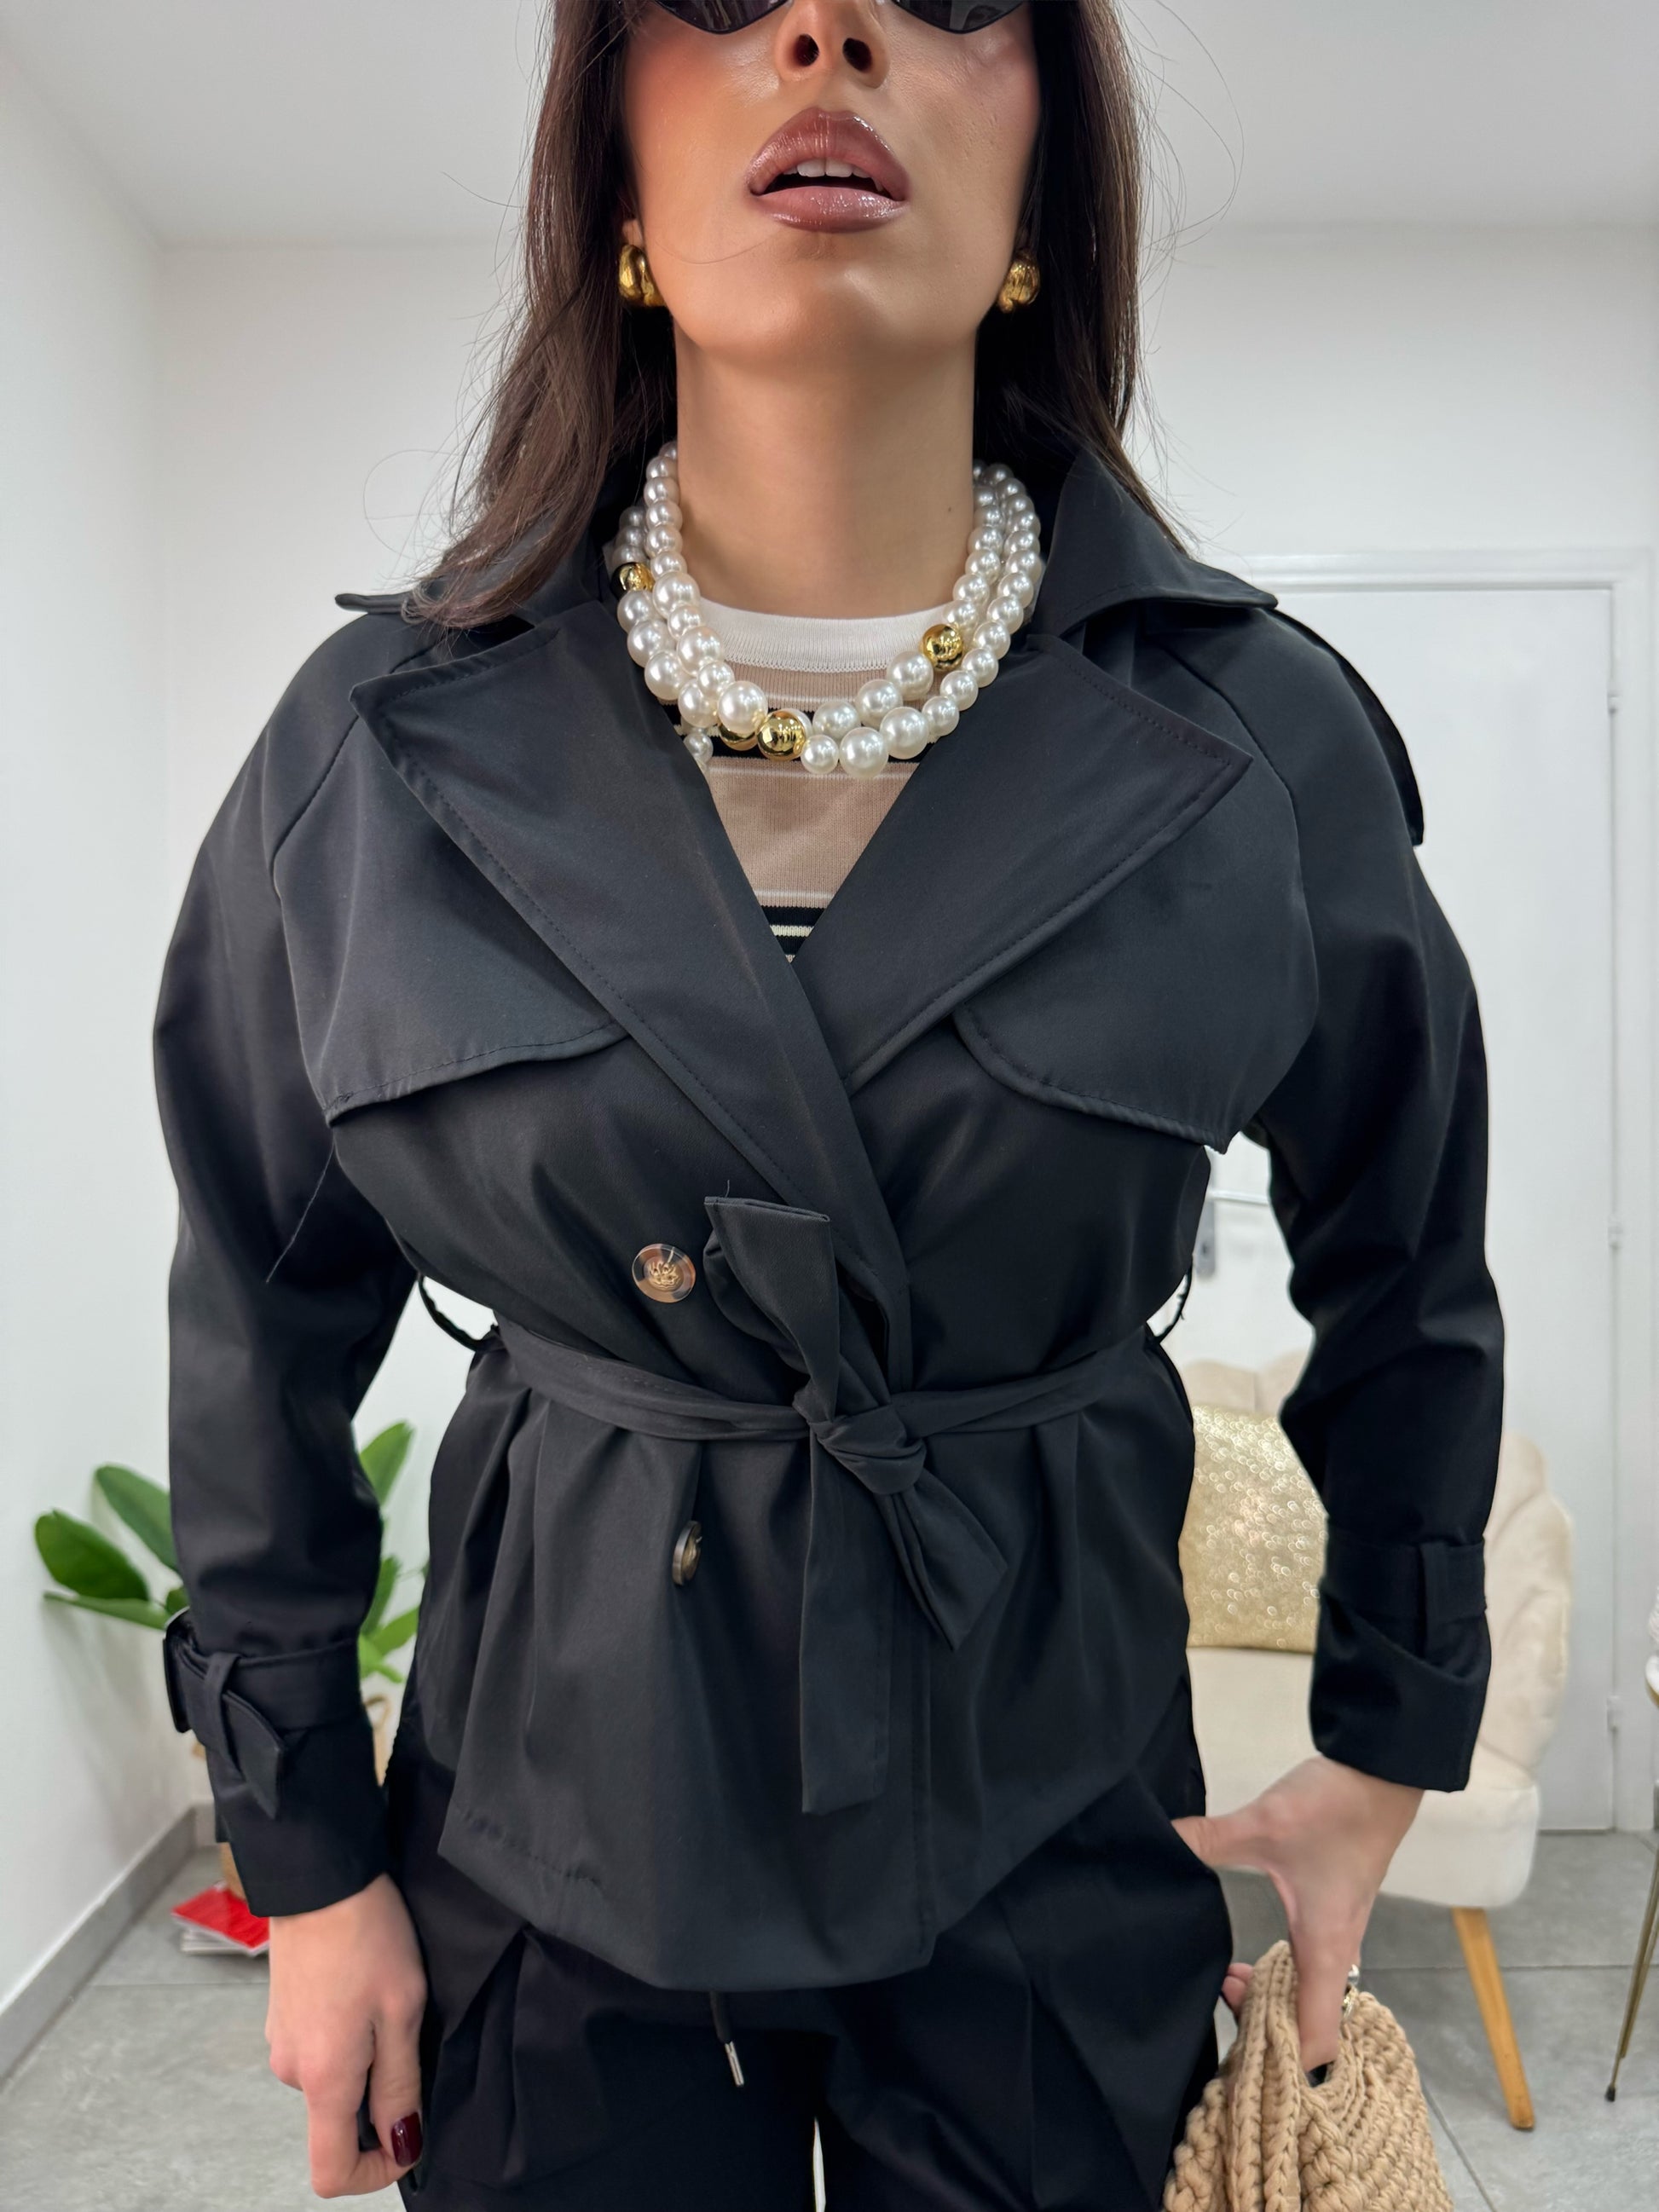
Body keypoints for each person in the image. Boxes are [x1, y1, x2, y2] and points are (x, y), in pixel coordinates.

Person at [153, 1, 1505, 2204]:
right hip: (552, 1812)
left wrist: (1384, 1733)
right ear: (613, 178)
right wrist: (306, 1860)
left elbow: (1410, 1256)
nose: (823, 28)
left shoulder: (1255, 736)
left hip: (1052, 1797)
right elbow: (254, 1309)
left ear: (1042, 192)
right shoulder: (373, 741)